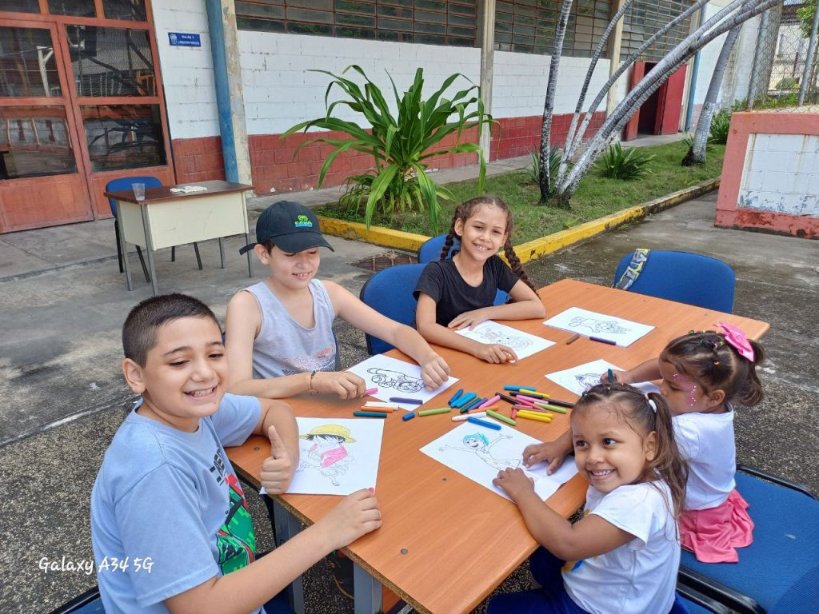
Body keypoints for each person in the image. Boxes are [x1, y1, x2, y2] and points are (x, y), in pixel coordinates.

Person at [91, 294, 382, 612]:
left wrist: (289, 458)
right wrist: (327, 533)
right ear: (135, 375)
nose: (205, 373)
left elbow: (275, 411)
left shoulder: (194, 409)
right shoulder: (154, 470)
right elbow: (201, 607)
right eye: (178, 362)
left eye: (215, 354)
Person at [489, 383, 688, 614]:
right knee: (542, 553)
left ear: (650, 445)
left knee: (502, 607)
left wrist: (523, 492)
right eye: (582, 443)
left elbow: (568, 543)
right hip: (623, 591)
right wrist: (560, 446)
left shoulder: (639, 502)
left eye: (608, 442)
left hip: (603, 608)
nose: (592, 457)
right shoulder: (645, 468)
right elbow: (596, 430)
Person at [225, 200, 450, 400]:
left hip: (331, 407)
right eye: (291, 255)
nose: (304, 264)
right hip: (279, 416)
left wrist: (427, 357)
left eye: (312, 252)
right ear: (264, 254)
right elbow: (237, 387)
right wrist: (312, 381)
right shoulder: (247, 305)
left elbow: (395, 331)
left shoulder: (329, 293)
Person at [601, 323, 765, 563]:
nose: (662, 388)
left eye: (673, 386)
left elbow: (635, 454)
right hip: (712, 491)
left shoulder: (689, 431)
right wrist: (630, 376)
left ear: (713, 397)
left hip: (696, 512)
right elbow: (665, 367)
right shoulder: (711, 404)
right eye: (664, 380)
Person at [414, 195, 546, 363]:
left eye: (495, 232)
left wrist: (484, 313)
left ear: (503, 239)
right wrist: (477, 348)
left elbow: (536, 307)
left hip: (479, 356)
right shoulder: (436, 272)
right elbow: (425, 327)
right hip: (440, 358)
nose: (486, 237)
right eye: (478, 227)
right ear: (460, 227)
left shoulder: (494, 265)